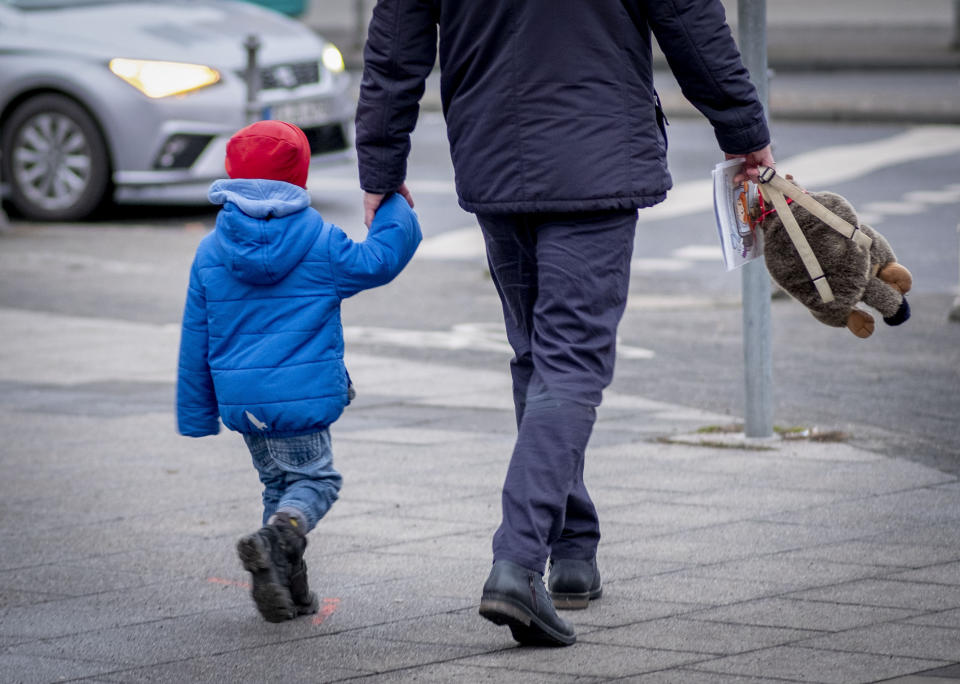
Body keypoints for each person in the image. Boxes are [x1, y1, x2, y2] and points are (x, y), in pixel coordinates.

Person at [356, 0, 774, 646]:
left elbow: (396, 40)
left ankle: (573, 547)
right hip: (597, 153)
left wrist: (381, 168)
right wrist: (745, 133)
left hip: (493, 147)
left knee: (538, 356)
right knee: (568, 363)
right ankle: (519, 564)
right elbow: (690, 19)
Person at [176, 120, 421, 623]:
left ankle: (288, 589)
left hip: (243, 404)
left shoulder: (209, 251)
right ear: (299, 178)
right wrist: (393, 202)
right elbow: (378, 260)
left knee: (276, 486)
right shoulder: (319, 242)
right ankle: (278, 536)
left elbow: (194, 336)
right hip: (300, 400)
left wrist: (197, 412)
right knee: (316, 482)